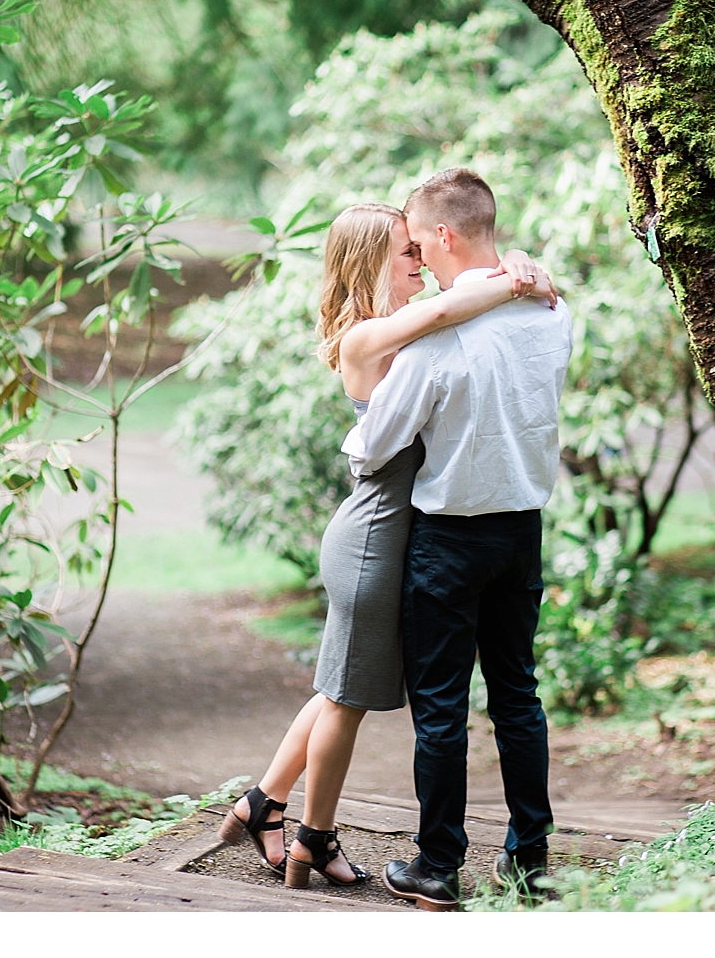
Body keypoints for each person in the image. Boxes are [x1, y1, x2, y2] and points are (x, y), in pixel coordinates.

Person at [218, 200, 558, 889]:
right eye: (406, 252)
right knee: (348, 696)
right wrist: (515, 277)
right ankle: (313, 836)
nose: (419, 261)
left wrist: (515, 265)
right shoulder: (369, 337)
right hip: (374, 534)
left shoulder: (401, 332)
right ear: (371, 262)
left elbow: (454, 317)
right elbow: (442, 316)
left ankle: (264, 804)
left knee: (343, 687)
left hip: (402, 532)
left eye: (418, 248)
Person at [343, 169, 572, 911]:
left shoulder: (435, 341)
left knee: (441, 707)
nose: (416, 257)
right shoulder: (550, 311)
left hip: (448, 539)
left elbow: (374, 446)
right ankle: (529, 862)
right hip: (521, 532)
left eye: (415, 243)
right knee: (518, 697)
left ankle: (439, 866)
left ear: (442, 236)